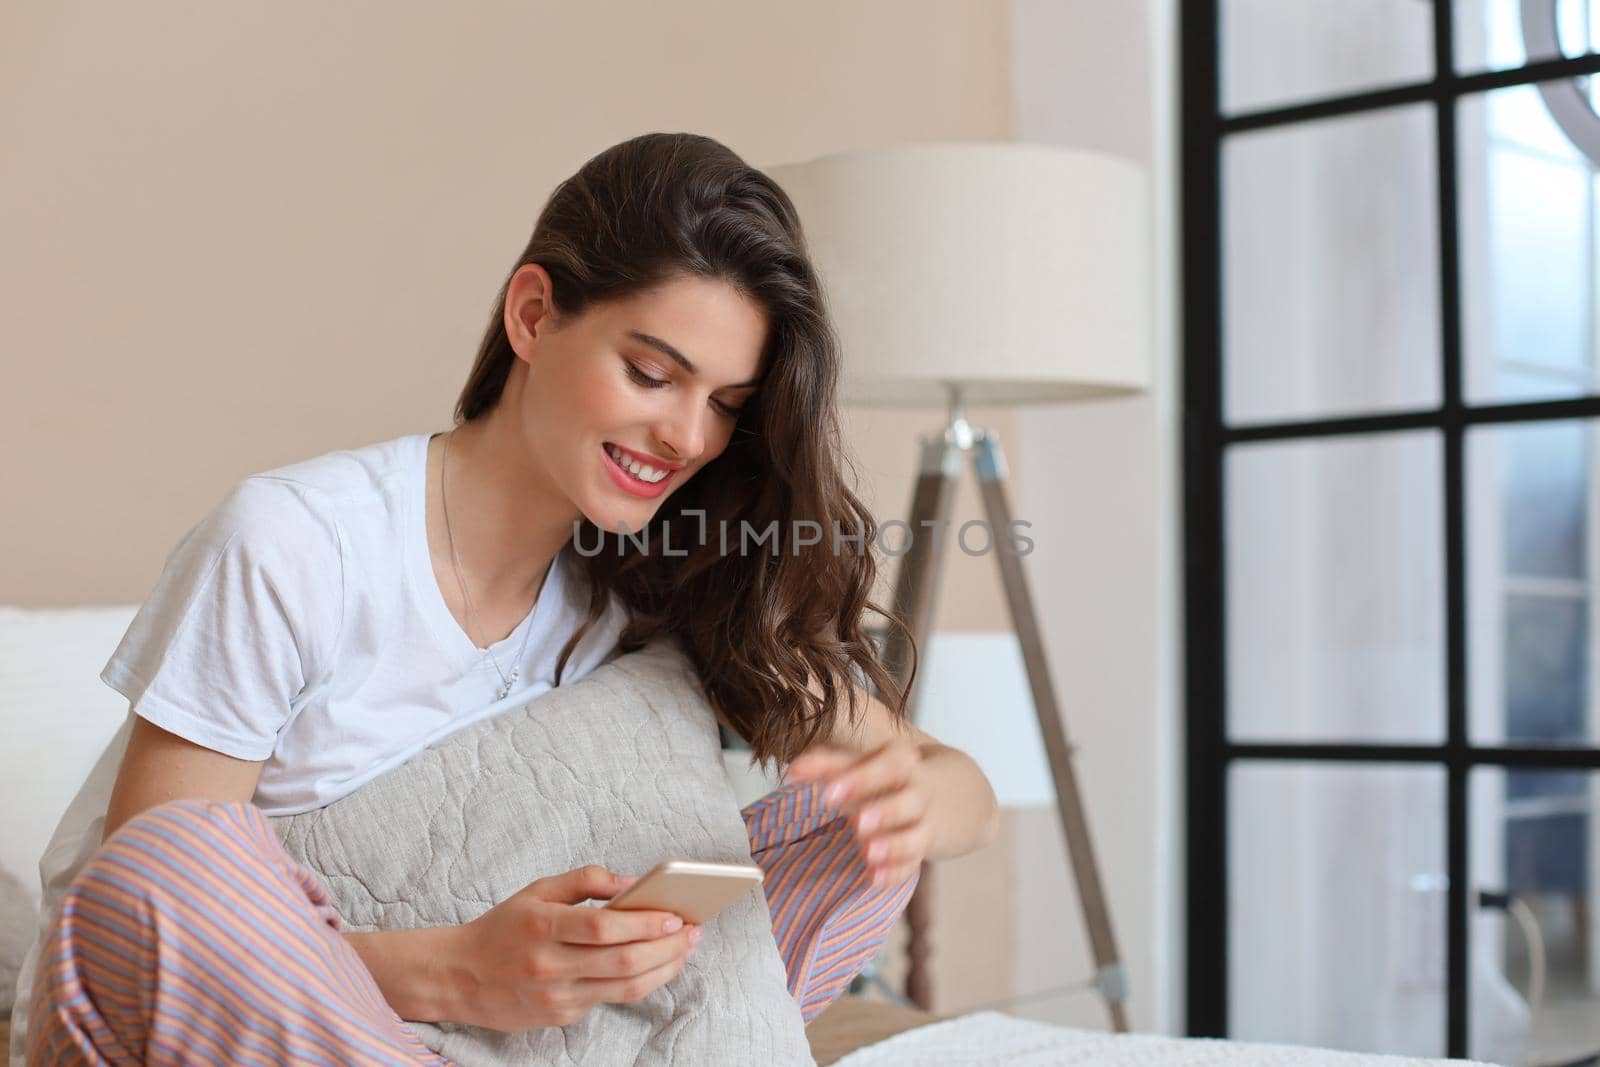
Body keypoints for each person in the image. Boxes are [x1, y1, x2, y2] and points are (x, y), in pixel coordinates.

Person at [16, 131, 1001, 1065]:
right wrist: (462, 969)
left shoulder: (651, 585)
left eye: (726, 407)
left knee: (845, 829)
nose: (688, 438)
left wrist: (917, 803)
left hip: (510, 1033)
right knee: (171, 861)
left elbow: (953, 784)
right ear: (532, 314)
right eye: (652, 373)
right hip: (243, 1022)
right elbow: (154, 914)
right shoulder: (293, 542)